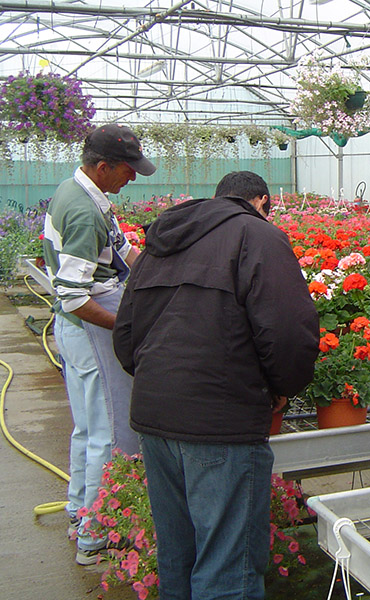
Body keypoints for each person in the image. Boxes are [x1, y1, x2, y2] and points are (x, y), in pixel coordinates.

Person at [113, 171, 319, 600]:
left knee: (178, 556)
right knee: (229, 567)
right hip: (220, 420)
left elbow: (126, 333)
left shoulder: (164, 239)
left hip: (155, 418)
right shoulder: (257, 236)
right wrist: (282, 388)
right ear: (261, 202)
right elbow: (288, 331)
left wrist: (160, 381)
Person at [42, 123, 156, 565]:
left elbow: (124, 250)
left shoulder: (86, 194)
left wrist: (162, 272)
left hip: (78, 327)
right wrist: (123, 326)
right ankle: (96, 534)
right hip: (88, 328)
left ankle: (79, 513)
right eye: (128, 170)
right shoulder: (83, 211)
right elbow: (73, 296)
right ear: (103, 166)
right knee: (110, 431)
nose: (133, 178)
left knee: (88, 427)